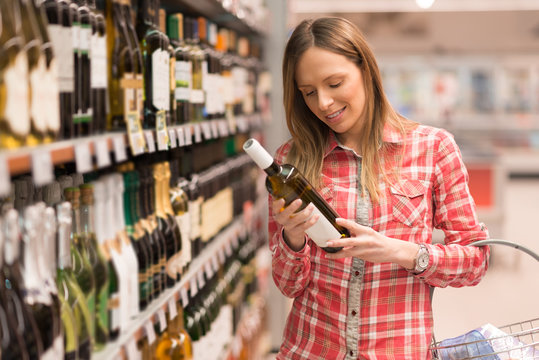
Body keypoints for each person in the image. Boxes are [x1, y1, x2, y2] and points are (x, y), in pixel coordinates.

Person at [268, 17, 490, 360]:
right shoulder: (291, 162)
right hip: (310, 350)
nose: (324, 103)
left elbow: (475, 262)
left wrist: (400, 251)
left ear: (366, 70)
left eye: (335, 83)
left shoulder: (433, 149)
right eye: (309, 93)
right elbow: (288, 285)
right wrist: (292, 238)